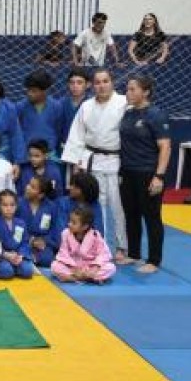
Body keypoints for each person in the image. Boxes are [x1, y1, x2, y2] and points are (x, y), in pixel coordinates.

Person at [61, 68, 129, 261]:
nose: (101, 86)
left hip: (117, 161)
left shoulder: (124, 103)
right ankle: (100, 245)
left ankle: (122, 246)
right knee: (97, 206)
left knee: (118, 206)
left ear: (112, 82)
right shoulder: (87, 106)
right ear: (92, 85)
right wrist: (77, 162)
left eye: (105, 81)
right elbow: (77, 135)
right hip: (93, 161)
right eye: (98, 82)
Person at [118, 75, 171, 274]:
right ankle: (133, 253)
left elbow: (165, 147)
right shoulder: (128, 114)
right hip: (127, 171)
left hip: (148, 173)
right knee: (131, 214)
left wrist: (159, 176)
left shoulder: (156, 115)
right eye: (127, 89)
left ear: (146, 92)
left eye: (133, 89)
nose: (128, 93)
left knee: (151, 216)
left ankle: (154, 260)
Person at [51, 205, 116, 283]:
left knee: (111, 268)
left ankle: (77, 278)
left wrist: (95, 268)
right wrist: (74, 269)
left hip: (90, 267)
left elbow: (103, 254)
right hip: (72, 267)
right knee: (55, 265)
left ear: (85, 226)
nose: (69, 224)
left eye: (74, 223)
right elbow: (63, 253)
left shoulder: (95, 235)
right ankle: (86, 278)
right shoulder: (65, 234)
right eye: (70, 221)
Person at [17, 70, 65, 154]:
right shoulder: (20, 106)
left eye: (34, 91)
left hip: (50, 153)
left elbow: (58, 130)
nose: (29, 93)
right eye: (28, 90)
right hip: (27, 153)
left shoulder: (57, 107)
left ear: (45, 91)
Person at [0, 189, 34, 280]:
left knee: (28, 270)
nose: (9, 208)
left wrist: (21, 255)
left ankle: (15, 267)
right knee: (6, 271)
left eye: (12, 205)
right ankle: (6, 269)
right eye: (5, 205)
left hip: (17, 255)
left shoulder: (21, 223)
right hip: (1, 257)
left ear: (16, 206)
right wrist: (5, 254)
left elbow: (25, 242)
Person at [21, 175, 61, 267]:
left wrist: (44, 241)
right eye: (29, 184)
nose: (27, 187)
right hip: (23, 242)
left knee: (47, 259)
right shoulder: (19, 203)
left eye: (32, 187)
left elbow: (55, 230)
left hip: (42, 243)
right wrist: (31, 240)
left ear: (40, 195)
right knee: (22, 256)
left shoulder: (52, 207)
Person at [56, 67, 92, 153]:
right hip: (62, 150)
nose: (75, 86)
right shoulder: (60, 104)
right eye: (72, 82)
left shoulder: (92, 105)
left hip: (84, 150)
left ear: (88, 84)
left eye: (79, 82)